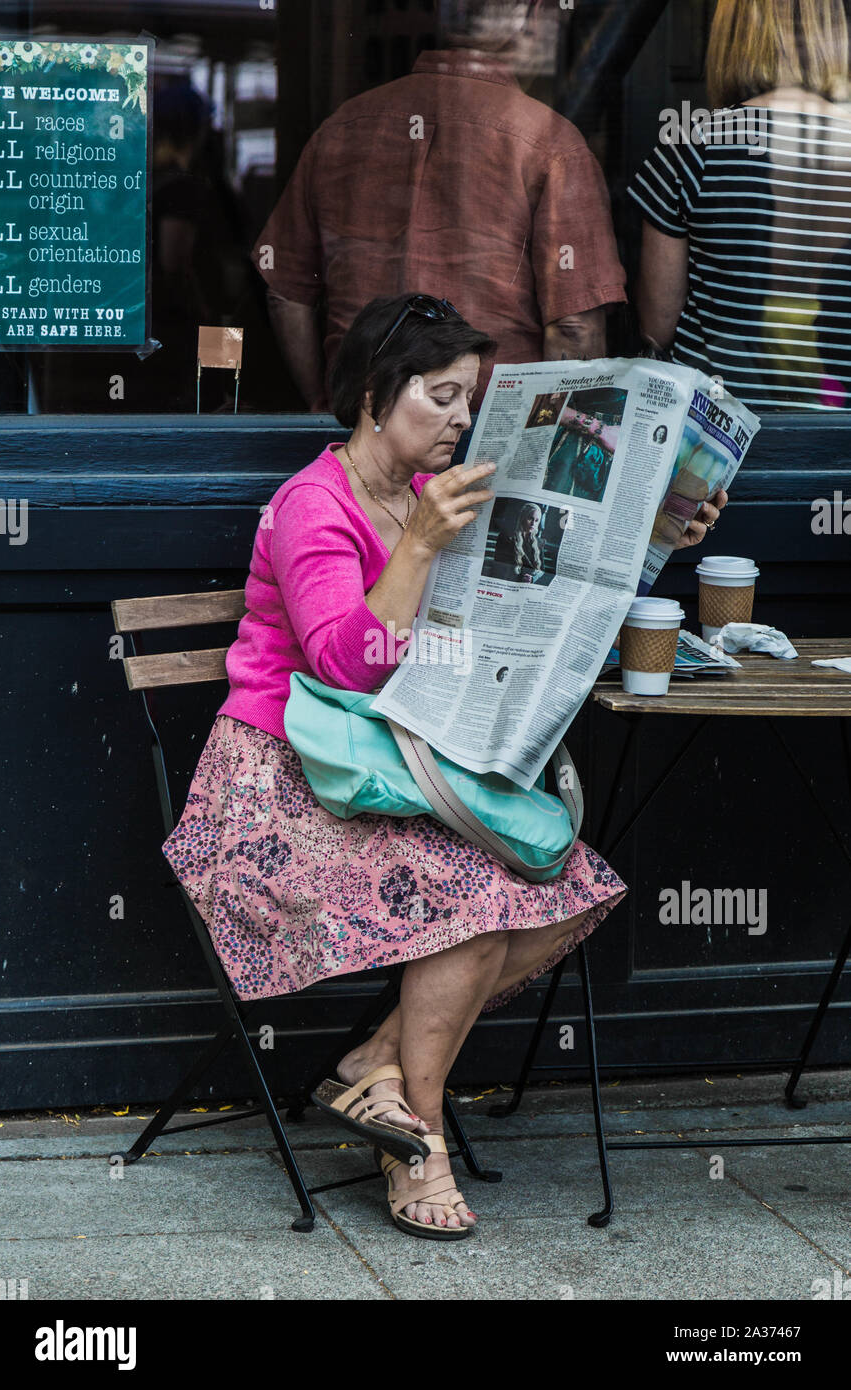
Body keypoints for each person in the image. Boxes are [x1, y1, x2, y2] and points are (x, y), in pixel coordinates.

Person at [161, 293, 724, 1240]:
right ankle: (415, 1147)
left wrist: (661, 535)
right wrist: (419, 546)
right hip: (283, 782)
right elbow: (346, 663)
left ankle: (373, 1065)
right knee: (471, 901)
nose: (462, 421)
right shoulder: (314, 503)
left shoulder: (443, 492)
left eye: (470, 402)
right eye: (443, 396)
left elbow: (552, 592)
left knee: (575, 886)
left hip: (399, 766)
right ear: (377, 395)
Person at [252, 0, 627, 410]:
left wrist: (323, 405)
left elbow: (284, 292)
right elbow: (573, 329)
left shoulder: (342, 127)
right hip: (491, 434)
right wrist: (546, 444)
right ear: (523, 13)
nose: (557, 20)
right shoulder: (552, 143)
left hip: (364, 430)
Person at [629, 0, 851, 411]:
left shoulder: (691, 146)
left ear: (734, 36)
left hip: (712, 429)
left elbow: (657, 328)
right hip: (839, 428)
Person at [493, 503, 545, 582]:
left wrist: (532, 579)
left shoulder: (539, 542)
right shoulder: (506, 537)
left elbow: (543, 570)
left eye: (536, 520)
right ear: (522, 518)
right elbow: (500, 565)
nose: (533, 524)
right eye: (530, 518)